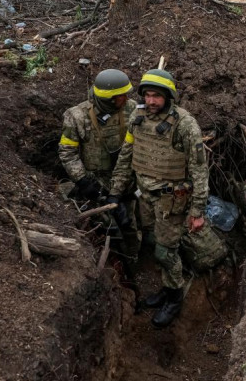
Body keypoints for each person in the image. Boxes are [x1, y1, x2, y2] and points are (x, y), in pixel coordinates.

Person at [109, 69, 209, 328]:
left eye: (157, 96)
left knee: (165, 252)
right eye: (148, 96)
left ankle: (175, 297)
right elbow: (126, 156)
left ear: (168, 96)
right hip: (145, 196)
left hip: (171, 201)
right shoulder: (137, 117)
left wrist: (197, 211)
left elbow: (199, 170)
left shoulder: (185, 125)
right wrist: (115, 192)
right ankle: (167, 288)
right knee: (154, 242)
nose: (151, 101)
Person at [58, 69, 143, 295]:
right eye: (120, 96)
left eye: (126, 95)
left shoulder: (131, 109)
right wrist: (83, 180)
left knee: (130, 220)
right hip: (97, 182)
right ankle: (115, 263)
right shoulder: (77, 116)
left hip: (126, 178)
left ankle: (135, 256)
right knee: (109, 225)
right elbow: (67, 153)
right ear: (106, 98)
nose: (125, 99)